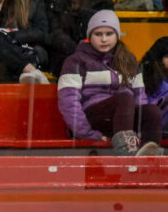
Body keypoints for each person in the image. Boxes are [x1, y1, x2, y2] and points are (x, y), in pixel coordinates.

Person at [57, 10, 163, 157]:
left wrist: (137, 133)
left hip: (123, 118)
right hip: (94, 118)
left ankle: (149, 153)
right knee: (124, 98)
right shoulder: (76, 61)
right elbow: (68, 102)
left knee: (152, 111)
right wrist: (87, 133)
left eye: (109, 34)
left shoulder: (129, 60)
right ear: (89, 36)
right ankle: (126, 150)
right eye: (98, 34)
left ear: (117, 36)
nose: (104, 39)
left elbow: (140, 97)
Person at [42, 0, 114, 77]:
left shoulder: (103, 0)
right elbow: (53, 32)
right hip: (60, 54)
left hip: (94, 54)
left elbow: (106, 33)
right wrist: (77, 53)